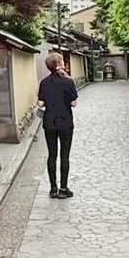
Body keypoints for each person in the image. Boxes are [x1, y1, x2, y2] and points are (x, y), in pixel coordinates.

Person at [38, 53, 78, 199]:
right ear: (59, 64)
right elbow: (74, 103)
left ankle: (53, 189)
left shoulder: (44, 82)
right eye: (62, 61)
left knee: (52, 155)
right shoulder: (68, 81)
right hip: (65, 122)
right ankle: (63, 189)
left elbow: (40, 103)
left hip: (49, 122)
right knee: (64, 156)